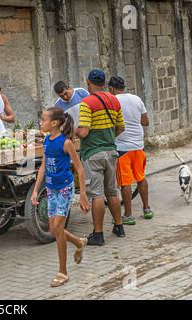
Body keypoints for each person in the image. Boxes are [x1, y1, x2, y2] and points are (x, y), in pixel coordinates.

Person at [31, 107, 91, 287]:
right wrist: (35, 190)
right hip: (51, 188)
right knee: (53, 228)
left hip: (65, 188)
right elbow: (43, 167)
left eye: (43, 120)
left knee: (57, 227)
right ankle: (79, 242)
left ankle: (63, 272)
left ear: (54, 123)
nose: (41, 123)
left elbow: (79, 168)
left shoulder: (66, 143)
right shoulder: (47, 141)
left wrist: (83, 196)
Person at [75, 69, 126, 246]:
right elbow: (121, 128)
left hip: (93, 153)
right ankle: (119, 226)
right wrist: (108, 138)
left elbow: (83, 131)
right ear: (104, 83)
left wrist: (72, 131)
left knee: (96, 194)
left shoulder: (86, 103)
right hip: (111, 152)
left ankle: (98, 234)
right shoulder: (114, 100)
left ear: (88, 82)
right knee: (111, 190)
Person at [108, 76, 155, 224]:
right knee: (141, 177)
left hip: (122, 147)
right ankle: (147, 209)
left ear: (111, 89)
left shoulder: (113, 101)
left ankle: (128, 215)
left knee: (125, 182)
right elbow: (145, 122)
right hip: (138, 145)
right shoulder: (136, 99)